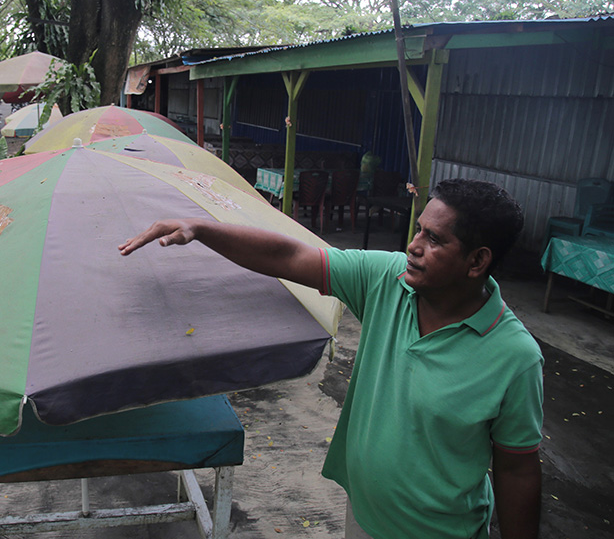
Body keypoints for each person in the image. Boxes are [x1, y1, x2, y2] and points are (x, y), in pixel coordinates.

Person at [119, 178, 542, 539]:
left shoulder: (513, 356)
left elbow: (517, 471)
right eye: (418, 230)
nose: (413, 246)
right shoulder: (387, 281)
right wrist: (201, 229)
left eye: (434, 239)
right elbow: (289, 257)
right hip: (363, 515)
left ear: (477, 261)